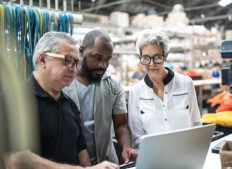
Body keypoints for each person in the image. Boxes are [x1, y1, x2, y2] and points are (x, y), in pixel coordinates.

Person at [4, 32, 118, 169]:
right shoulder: (14, 102)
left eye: (77, 63)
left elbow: (81, 151)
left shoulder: (69, 105)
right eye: (68, 60)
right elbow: (16, 160)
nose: (74, 70)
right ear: (43, 60)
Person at [63, 30, 137, 165]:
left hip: (107, 162)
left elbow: (121, 124)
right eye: (98, 57)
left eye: (108, 59)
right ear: (81, 51)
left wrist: (127, 146)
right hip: (71, 164)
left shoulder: (113, 84)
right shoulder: (63, 83)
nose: (103, 65)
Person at [128, 30, 202, 147]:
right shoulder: (136, 91)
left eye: (157, 57)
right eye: (146, 58)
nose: (151, 64)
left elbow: (196, 123)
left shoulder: (185, 83)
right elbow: (137, 137)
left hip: (185, 154)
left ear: (166, 55)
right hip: (153, 159)